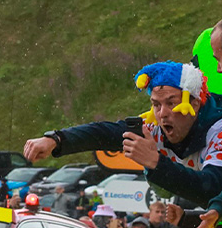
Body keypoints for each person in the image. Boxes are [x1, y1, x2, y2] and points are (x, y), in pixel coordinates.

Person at [23, 61, 222, 209]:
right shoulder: (152, 126)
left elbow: (211, 189)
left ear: (195, 104)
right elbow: (104, 133)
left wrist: (156, 163)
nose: (162, 114)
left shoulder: (217, 130)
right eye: (156, 104)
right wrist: (56, 139)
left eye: (171, 103)